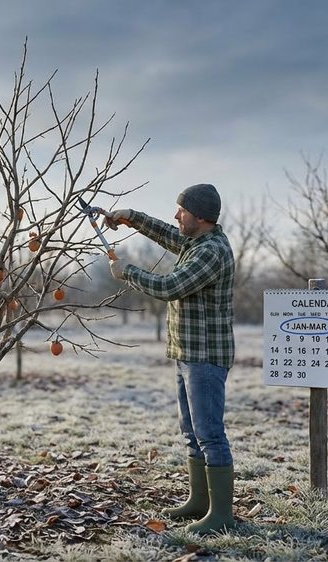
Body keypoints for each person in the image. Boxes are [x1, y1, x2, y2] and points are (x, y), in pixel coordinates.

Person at [103, 183, 236, 534]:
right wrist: (132, 219)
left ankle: (222, 515)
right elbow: (167, 234)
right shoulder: (195, 242)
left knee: (210, 434)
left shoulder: (211, 251)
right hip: (186, 352)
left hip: (205, 357)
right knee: (191, 433)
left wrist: (128, 273)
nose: (176, 215)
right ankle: (200, 501)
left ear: (201, 216)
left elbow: (169, 287)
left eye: (182, 210)